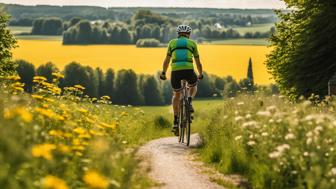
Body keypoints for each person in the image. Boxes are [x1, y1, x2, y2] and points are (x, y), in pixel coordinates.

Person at [160, 24, 203, 135]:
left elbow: (166, 60)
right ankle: (189, 100)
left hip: (175, 72)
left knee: (176, 94)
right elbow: (198, 61)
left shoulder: (172, 43)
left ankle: (175, 122)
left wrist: (163, 73)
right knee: (193, 85)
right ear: (188, 34)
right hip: (188, 70)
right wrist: (200, 74)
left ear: (178, 34)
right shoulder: (192, 44)